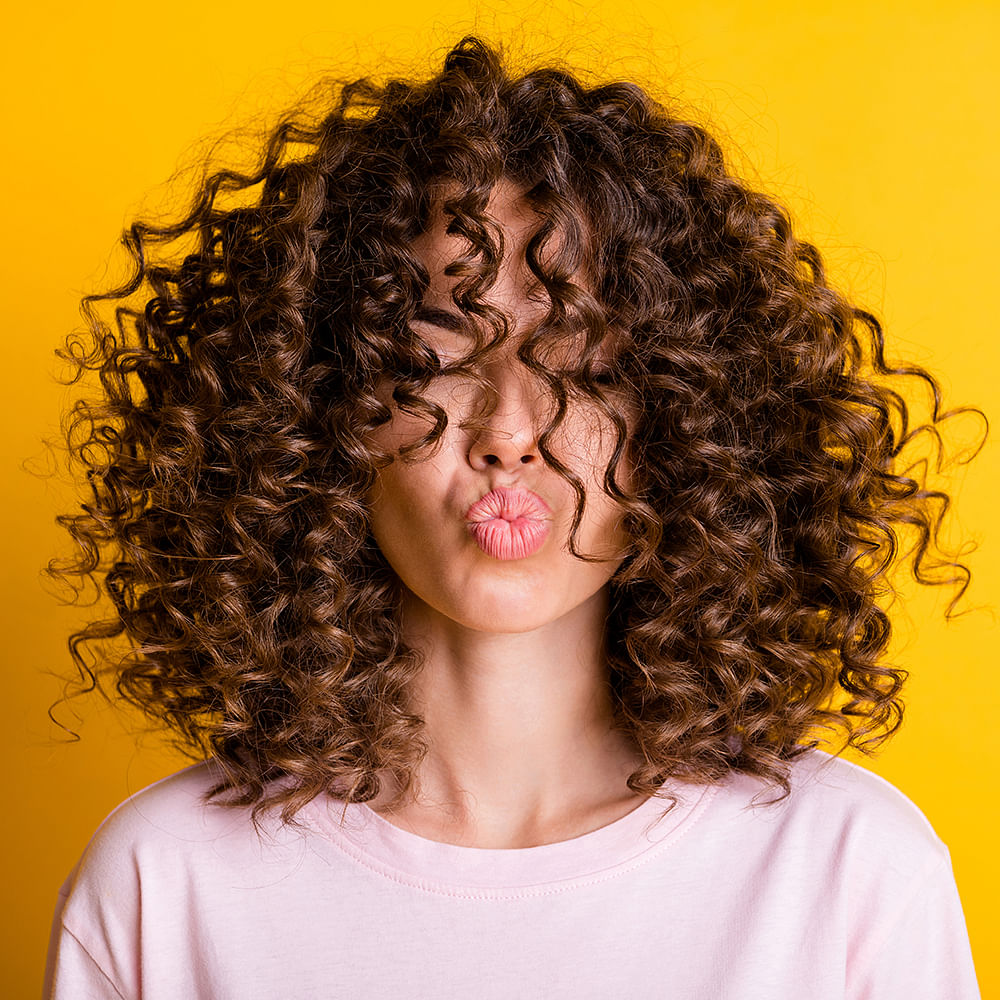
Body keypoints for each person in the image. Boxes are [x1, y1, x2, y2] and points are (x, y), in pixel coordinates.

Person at [42, 34, 983, 999]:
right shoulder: (165, 886)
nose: (510, 434)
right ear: (322, 411)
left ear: (687, 420)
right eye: (442, 356)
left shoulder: (847, 874)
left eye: (578, 364)